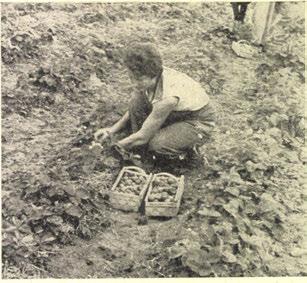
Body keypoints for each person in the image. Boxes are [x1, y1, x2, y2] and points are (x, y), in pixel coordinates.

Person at [94, 43, 216, 164]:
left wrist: (114, 147)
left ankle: (187, 158)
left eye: (139, 79)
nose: (134, 84)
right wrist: (111, 130)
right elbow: (133, 109)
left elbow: (144, 136)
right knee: (136, 100)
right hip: (177, 112)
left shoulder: (168, 97)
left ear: (154, 74)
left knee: (157, 144)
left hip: (197, 121)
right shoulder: (150, 81)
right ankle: (138, 147)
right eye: (131, 78)